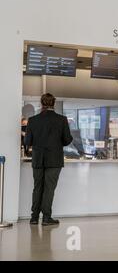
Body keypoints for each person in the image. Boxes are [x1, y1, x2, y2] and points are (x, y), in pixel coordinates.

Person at [24, 93, 73, 225]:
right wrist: (57, 143)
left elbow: (27, 141)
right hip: (54, 159)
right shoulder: (62, 120)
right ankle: (46, 218)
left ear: (41, 104)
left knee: (37, 187)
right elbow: (68, 140)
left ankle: (34, 217)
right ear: (54, 103)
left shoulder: (33, 120)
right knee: (49, 188)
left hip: (38, 159)